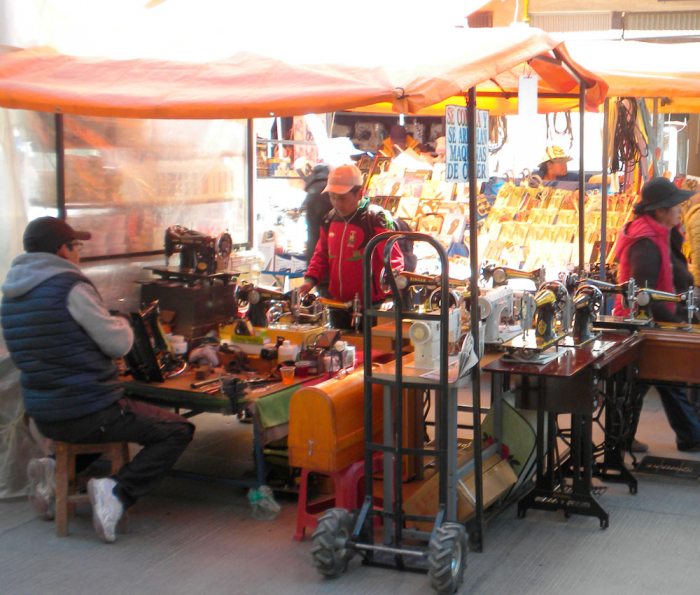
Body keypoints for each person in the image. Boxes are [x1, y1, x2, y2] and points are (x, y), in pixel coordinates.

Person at [1, 217, 194, 542]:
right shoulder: (69, 286)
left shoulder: (11, 295)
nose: (79, 253)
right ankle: (117, 491)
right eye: (76, 246)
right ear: (62, 250)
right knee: (177, 430)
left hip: (44, 414)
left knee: (103, 423)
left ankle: (54, 470)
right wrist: (122, 324)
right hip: (87, 410)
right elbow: (118, 344)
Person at [612, 177, 700, 452]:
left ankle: (623, 437)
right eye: (675, 205)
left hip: (660, 320)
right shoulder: (646, 242)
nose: (680, 209)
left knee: (652, 380)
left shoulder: (662, 234)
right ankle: (689, 435)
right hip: (649, 322)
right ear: (660, 210)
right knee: (662, 377)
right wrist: (676, 324)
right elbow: (644, 292)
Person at [298, 164, 404, 329]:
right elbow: (321, 254)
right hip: (337, 305)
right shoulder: (329, 219)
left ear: (359, 194)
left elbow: (394, 260)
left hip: (371, 306)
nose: (336, 203)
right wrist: (310, 280)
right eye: (332, 197)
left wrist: (389, 293)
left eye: (341, 198)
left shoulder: (375, 219)